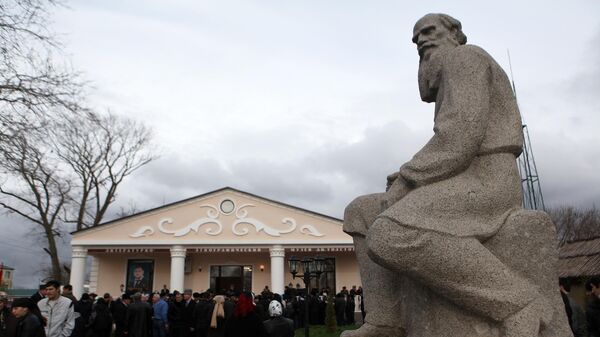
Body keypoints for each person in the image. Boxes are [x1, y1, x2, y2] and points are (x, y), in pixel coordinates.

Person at [342, 13, 550, 337]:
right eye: (416, 39)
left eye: (428, 31)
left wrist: (409, 178)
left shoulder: (465, 57)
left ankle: (518, 302)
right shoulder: (449, 71)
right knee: (363, 212)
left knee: (389, 233)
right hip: (459, 177)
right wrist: (406, 176)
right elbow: (452, 142)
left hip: (487, 180)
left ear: (453, 33)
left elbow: (460, 136)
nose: (421, 41)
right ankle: (385, 321)